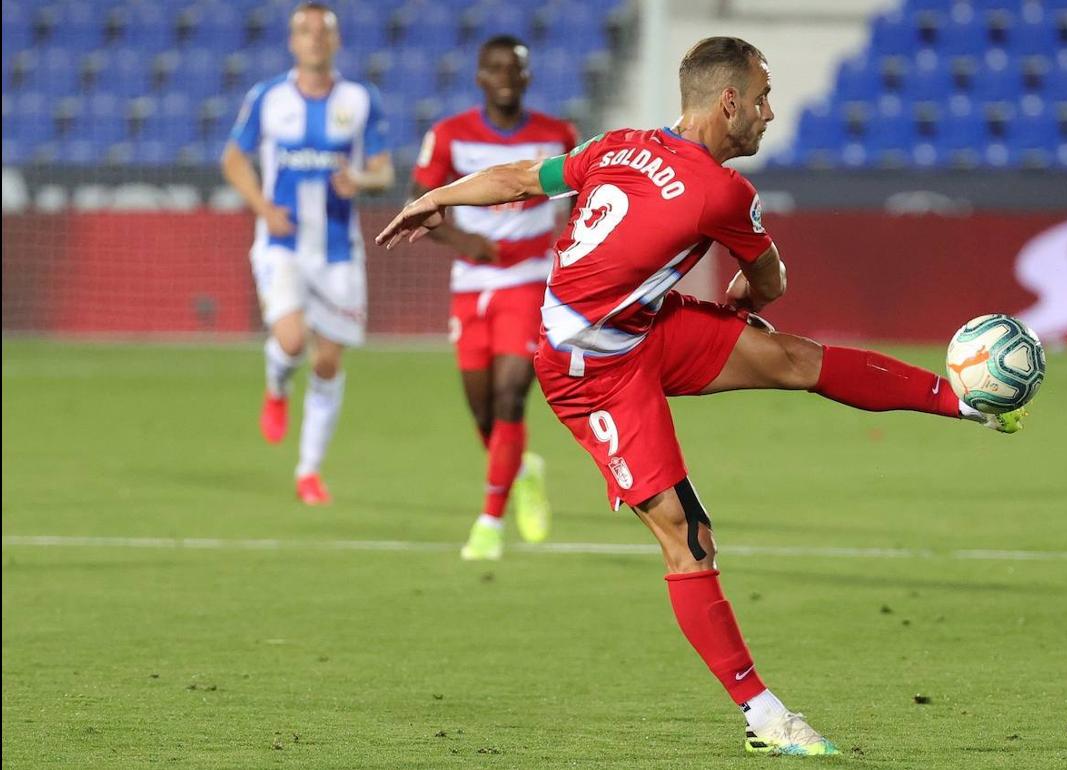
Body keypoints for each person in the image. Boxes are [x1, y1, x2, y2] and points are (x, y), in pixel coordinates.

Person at [377, 36, 1026, 757]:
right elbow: (771, 282)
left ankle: (963, 402)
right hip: (589, 373)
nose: (770, 113)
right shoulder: (724, 194)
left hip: (643, 328)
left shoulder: (616, 146)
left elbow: (524, 178)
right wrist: (752, 288)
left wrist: (435, 198)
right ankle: (764, 716)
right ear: (729, 102)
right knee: (689, 541)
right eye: (763, 97)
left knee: (790, 358)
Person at [409, 35, 576, 560]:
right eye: (496, 68)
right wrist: (463, 241)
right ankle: (523, 470)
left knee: (510, 396)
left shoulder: (556, 136)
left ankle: (488, 524)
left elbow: (586, 203)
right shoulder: (450, 136)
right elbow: (420, 205)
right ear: (480, 77)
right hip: (471, 286)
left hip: (528, 280)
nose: (506, 75)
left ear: (527, 77)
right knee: (482, 410)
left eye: (516, 68)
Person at [222, 2, 394, 504]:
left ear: (336, 41)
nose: (315, 38)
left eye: (324, 31)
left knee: (327, 362)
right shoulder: (268, 98)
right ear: (292, 42)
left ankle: (308, 470)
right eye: (305, 31)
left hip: (339, 251)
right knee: (292, 339)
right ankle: (277, 387)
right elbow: (233, 158)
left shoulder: (362, 100)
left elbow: (383, 170)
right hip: (283, 243)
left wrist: (359, 178)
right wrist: (261, 207)